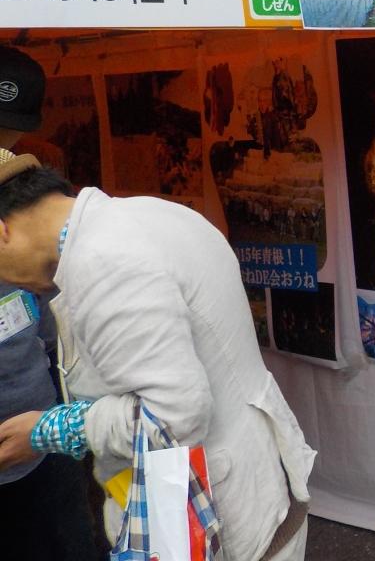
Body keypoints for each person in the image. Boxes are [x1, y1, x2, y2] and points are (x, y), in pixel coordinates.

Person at [0, 158, 314, 561]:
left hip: (221, 522)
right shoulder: (149, 213)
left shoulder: (104, 262)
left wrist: (50, 429)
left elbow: (173, 416)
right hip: (262, 488)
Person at [0, 47, 98, 561]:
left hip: (43, 439)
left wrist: (58, 422)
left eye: (8, 134)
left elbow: (50, 326)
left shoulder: (26, 205)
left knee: (68, 545)